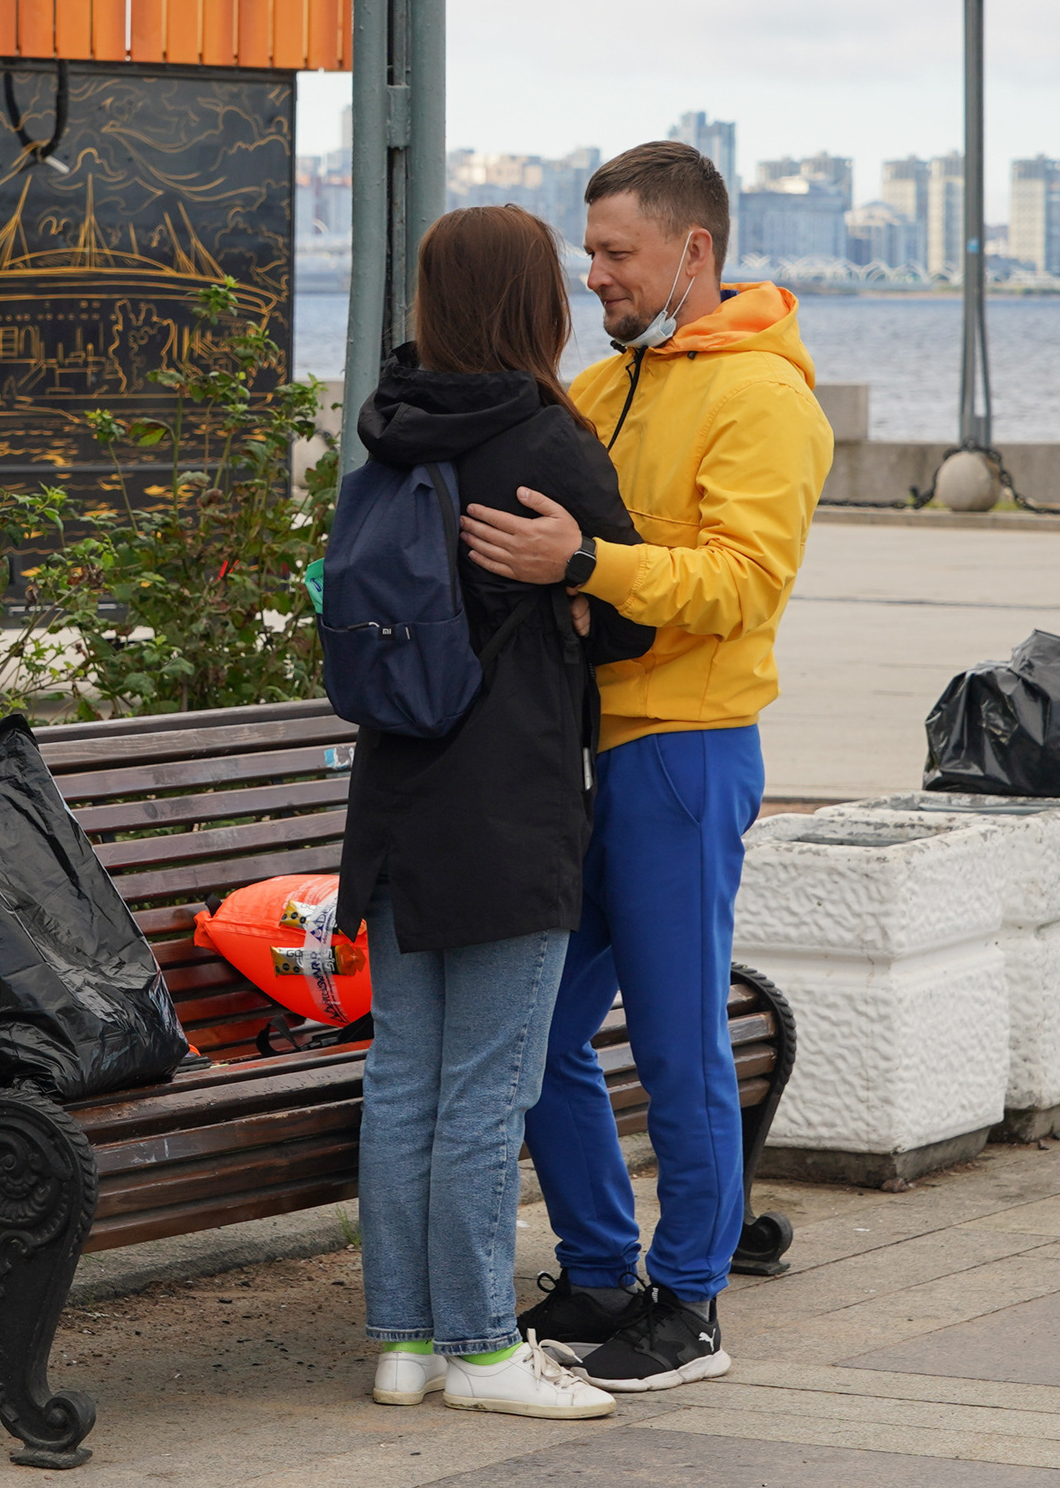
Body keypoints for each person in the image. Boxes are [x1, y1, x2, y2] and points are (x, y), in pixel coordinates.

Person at [460, 141, 835, 1393]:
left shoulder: (764, 400)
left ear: (695, 252)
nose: (596, 275)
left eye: (617, 254)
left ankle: (690, 1307)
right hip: (595, 757)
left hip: (686, 755)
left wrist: (583, 569)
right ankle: (600, 1272)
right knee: (535, 1037)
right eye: (590, 253)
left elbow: (739, 584)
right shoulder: (608, 386)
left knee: (677, 1044)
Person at [336, 204, 654, 1420]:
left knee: (404, 1074)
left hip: (398, 797)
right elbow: (626, 613)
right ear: (537, 307)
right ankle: (479, 1350)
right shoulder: (546, 441)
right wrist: (576, 590)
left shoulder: (389, 432)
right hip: (511, 801)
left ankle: (403, 1345)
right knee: (486, 1085)